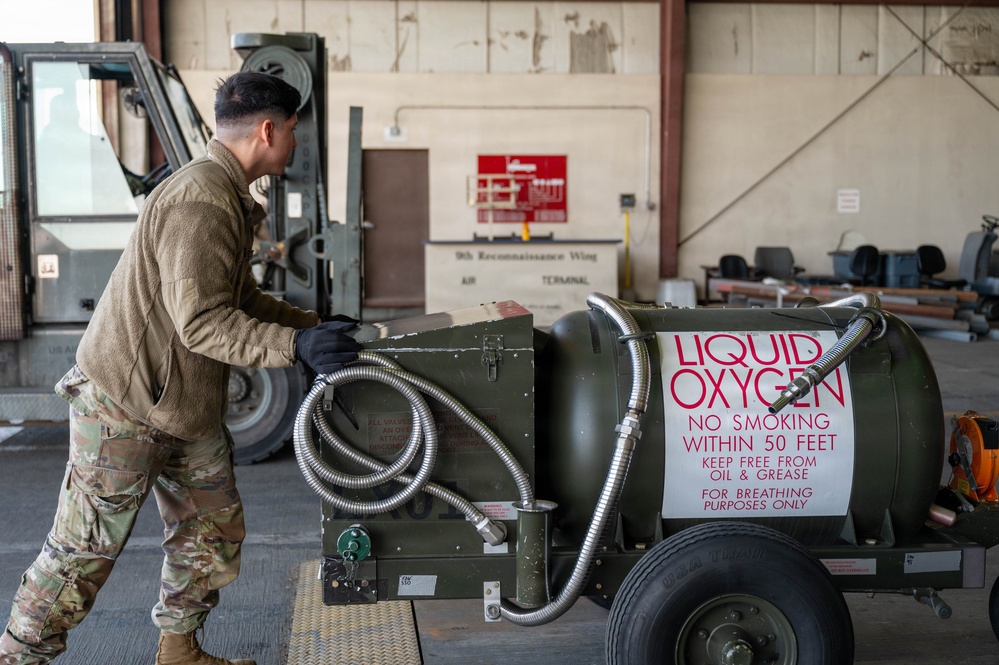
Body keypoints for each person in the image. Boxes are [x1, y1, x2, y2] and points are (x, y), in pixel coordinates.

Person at [0, 72, 360, 665]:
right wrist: (295, 347)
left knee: (211, 529)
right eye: (293, 130)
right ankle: (18, 658)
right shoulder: (201, 200)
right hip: (126, 403)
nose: (295, 143)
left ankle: (179, 651)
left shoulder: (227, 194)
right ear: (267, 130)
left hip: (184, 405)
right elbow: (203, 323)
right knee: (82, 554)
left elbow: (238, 298)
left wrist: (312, 325)